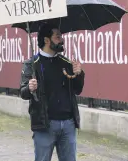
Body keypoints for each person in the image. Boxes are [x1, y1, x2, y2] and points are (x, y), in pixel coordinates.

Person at [20, 23, 85, 161]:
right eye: (58, 37)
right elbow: (23, 92)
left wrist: (79, 73)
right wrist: (30, 88)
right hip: (44, 125)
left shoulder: (66, 63)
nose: (62, 40)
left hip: (68, 125)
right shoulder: (32, 64)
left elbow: (77, 89)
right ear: (46, 40)